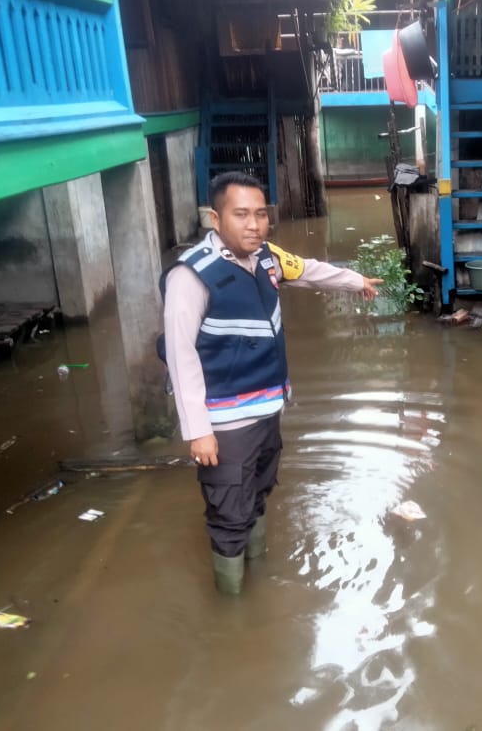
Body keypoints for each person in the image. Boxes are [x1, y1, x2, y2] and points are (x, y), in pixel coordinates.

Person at [160, 172, 382, 595]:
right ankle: (233, 611)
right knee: (228, 511)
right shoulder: (191, 276)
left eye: (260, 214)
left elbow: (309, 270)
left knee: (259, 492)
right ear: (214, 218)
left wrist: (355, 281)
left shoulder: (265, 257)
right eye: (240, 214)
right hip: (225, 424)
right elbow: (180, 354)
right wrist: (198, 430)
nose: (253, 225)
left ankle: (258, 577)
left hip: (266, 411)